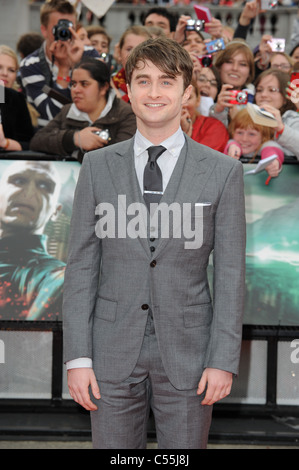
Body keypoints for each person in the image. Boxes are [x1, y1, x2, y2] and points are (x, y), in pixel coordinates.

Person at [63, 37, 246, 449]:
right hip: (109, 351)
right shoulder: (96, 166)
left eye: (167, 81)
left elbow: (231, 275)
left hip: (191, 355)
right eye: (143, 81)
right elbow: (81, 266)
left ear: (187, 92)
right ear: (128, 89)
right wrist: (77, 358)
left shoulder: (223, 172)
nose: (154, 92)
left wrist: (222, 360)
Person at [30, 58, 136, 162]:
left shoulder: (125, 114)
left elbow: (121, 159)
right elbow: (37, 141)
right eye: (73, 84)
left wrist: (82, 152)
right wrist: (74, 139)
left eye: (84, 84)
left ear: (104, 87)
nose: (76, 90)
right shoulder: (67, 111)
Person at [0, 160, 65, 321]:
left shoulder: (59, 278)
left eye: (44, 186)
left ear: (55, 212)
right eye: (19, 181)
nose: (28, 193)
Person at [19, 0, 99, 128]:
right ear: (44, 30)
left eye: (69, 28)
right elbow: (51, 115)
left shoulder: (90, 55)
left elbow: (99, 102)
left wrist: (78, 65)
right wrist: (64, 68)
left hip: (88, 132)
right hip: (50, 139)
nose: (64, 33)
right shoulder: (30, 65)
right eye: (58, 28)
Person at [224, 108, 284, 178]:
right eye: (240, 132)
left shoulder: (266, 146)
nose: (244, 139)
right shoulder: (231, 143)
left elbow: (271, 149)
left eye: (251, 134)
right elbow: (231, 144)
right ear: (232, 132)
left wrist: (272, 163)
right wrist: (232, 147)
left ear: (263, 136)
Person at [254, 69, 299, 160]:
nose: (263, 94)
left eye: (272, 90)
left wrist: (281, 128)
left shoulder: (293, 119)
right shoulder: (248, 116)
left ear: (285, 97)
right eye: (259, 90)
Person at [209, 40, 255, 127]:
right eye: (229, 62)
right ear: (219, 66)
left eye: (242, 64)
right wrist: (217, 111)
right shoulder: (207, 91)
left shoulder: (255, 100)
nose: (235, 68)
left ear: (249, 72)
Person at [180, 80, 229, 152]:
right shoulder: (159, 127)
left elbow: (202, 160)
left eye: (188, 98)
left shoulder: (214, 127)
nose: (182, 104)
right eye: (177, 98)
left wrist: (186, 135)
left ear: (198, 100)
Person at [112, 26, 151, 102]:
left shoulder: (159, 88)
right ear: (119, 53)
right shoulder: (109, 85)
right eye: (129, 49)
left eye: (141, 49)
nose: (134, 54)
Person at [0, 85, 35, 151]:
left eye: (12, 73)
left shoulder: (15, 98)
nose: (5, 74)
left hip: (8, 157)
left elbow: (28, 143)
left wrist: (5, 143)